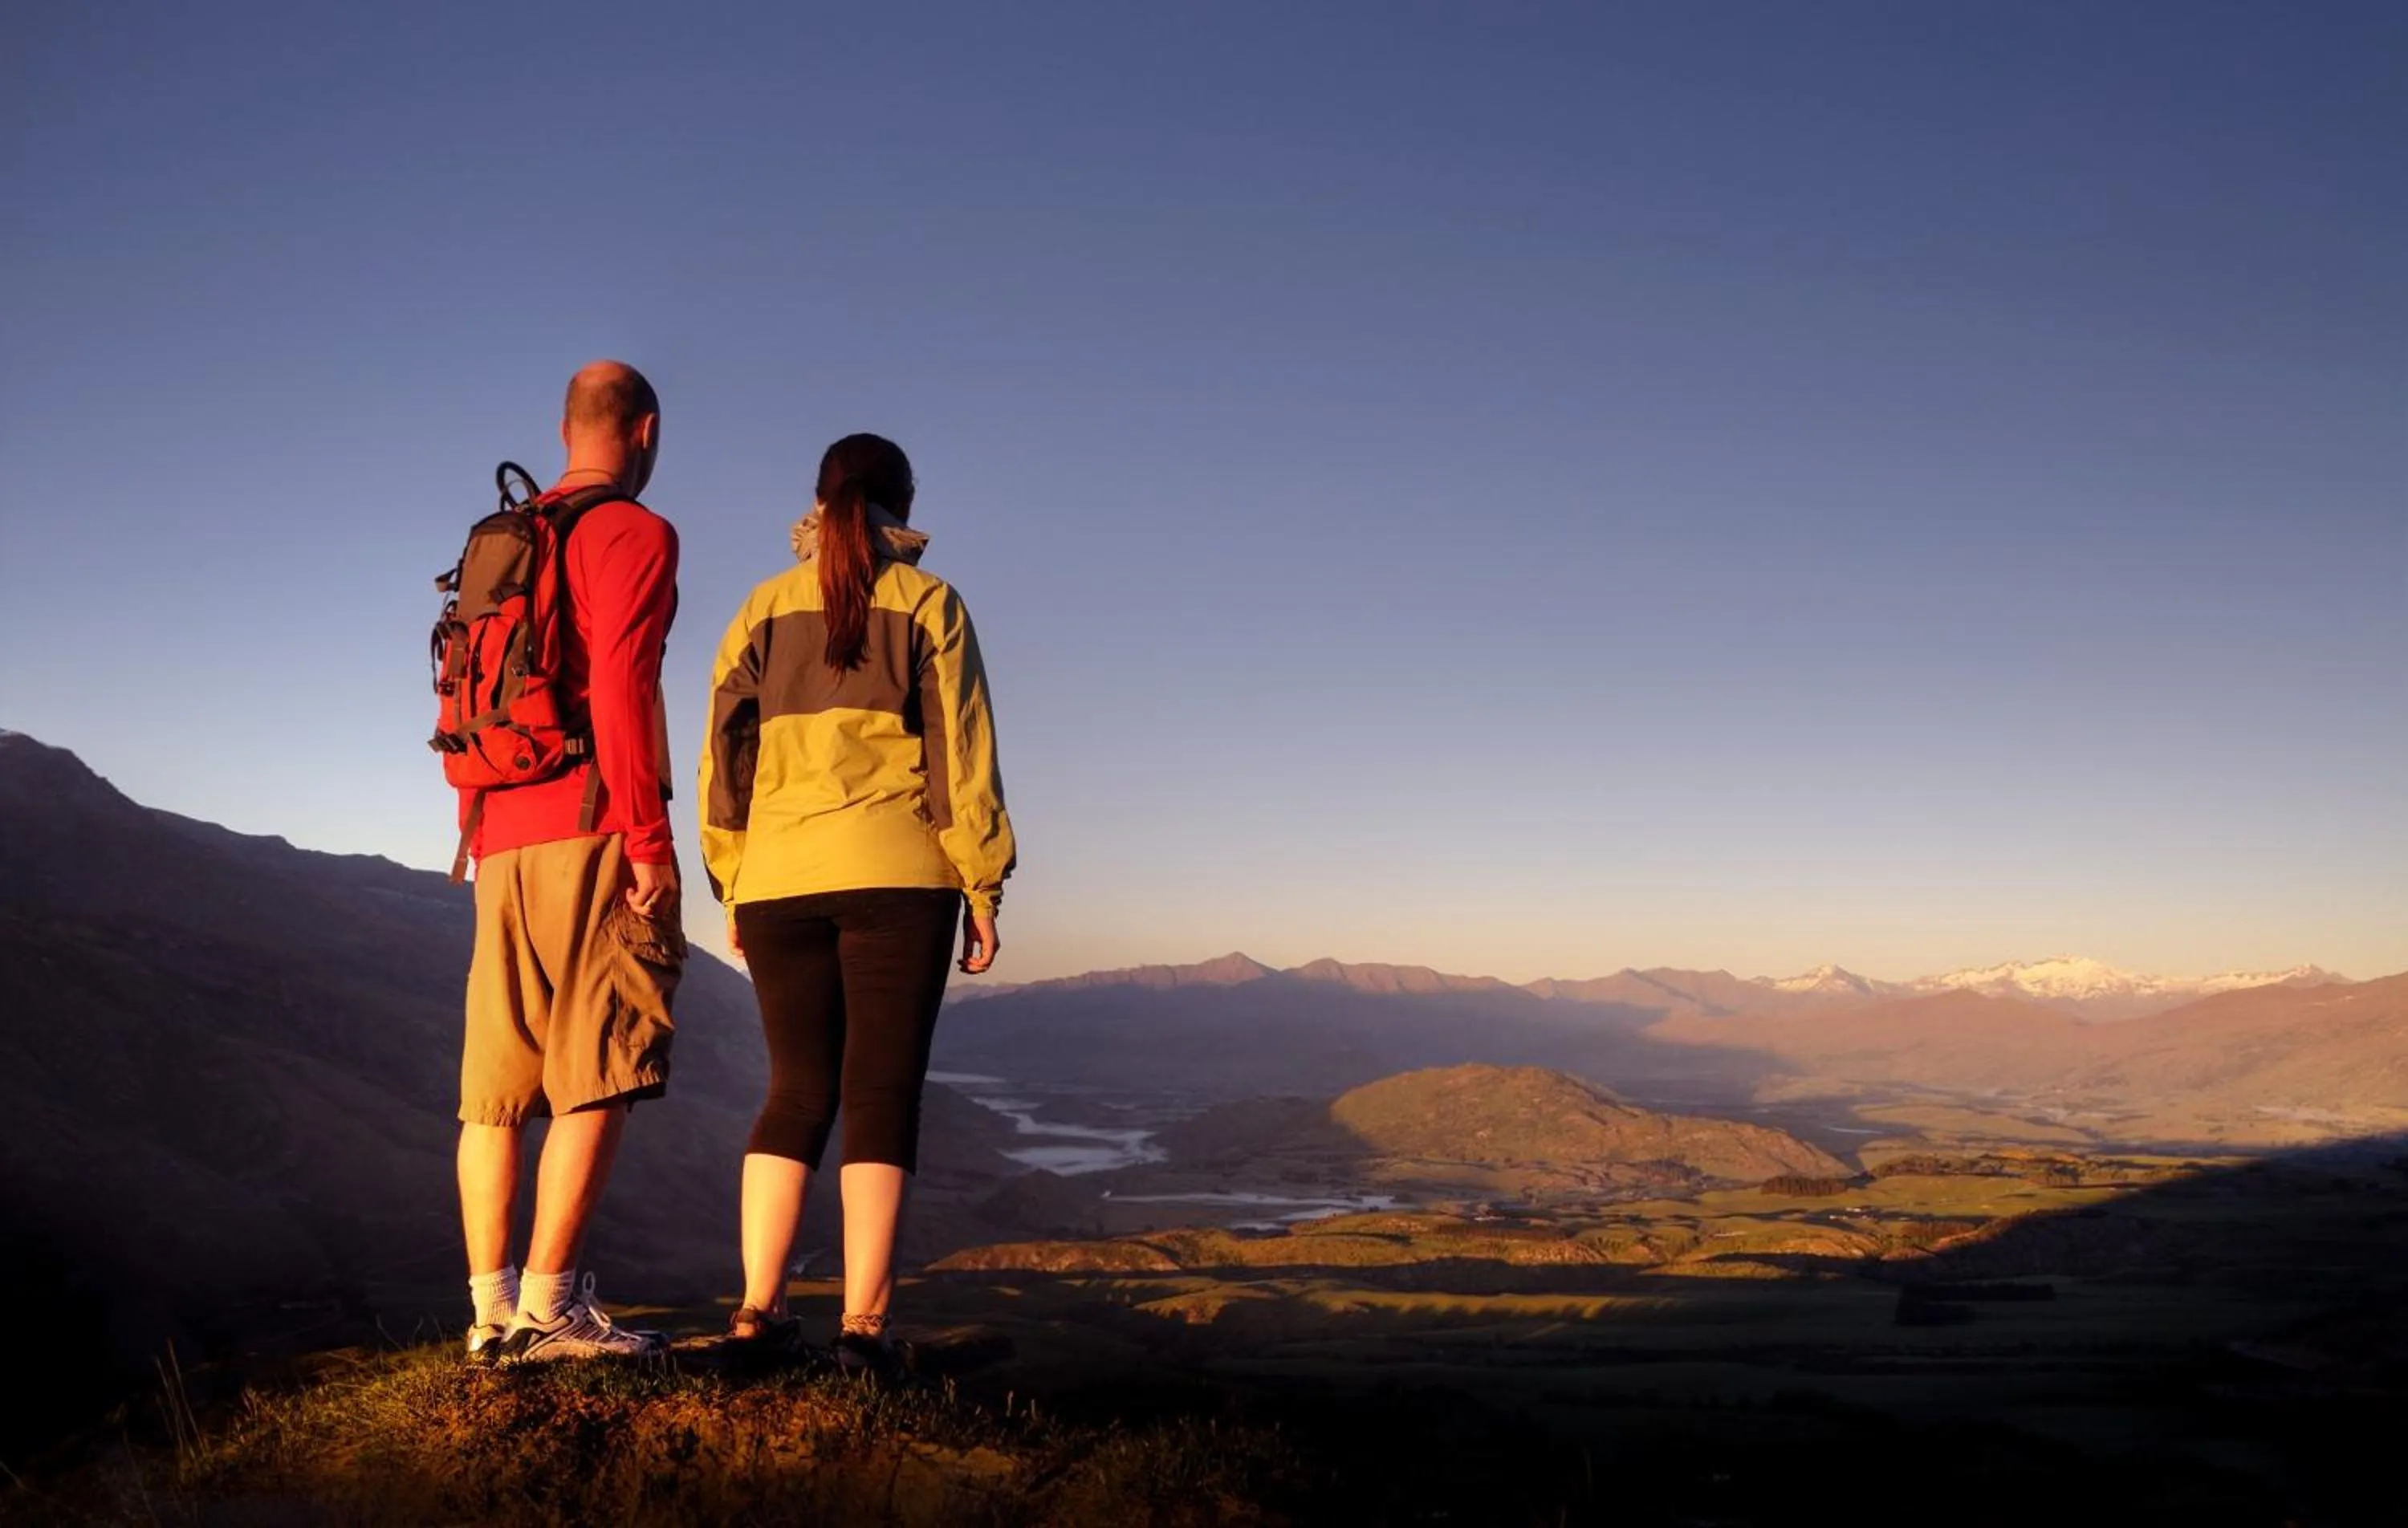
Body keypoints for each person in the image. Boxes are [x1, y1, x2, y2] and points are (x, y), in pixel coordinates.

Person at [698, 431, 1015, 1372]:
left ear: (821, 497)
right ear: (903, 505)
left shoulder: (758, 609)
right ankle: (863, 1336)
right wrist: (982, 884)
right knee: (879, 1095)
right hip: (898, 876)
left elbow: (726, 764)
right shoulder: (930, 604)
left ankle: (755, 1315)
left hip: (777, 881)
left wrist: (734, 876)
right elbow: (963, 760)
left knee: (793, 1093)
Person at [455, 360, 684, 1364]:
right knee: (599, 1064)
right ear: (645, 431)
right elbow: (626, 685)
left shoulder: (504, 539)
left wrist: (474, 827)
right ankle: (549, 1312)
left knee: (494, 1089)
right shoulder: (634, 532)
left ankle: (488, 1314)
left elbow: (468, 686)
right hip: (590, 820)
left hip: (498, 828)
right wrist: (651, 842)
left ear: (563, 430)